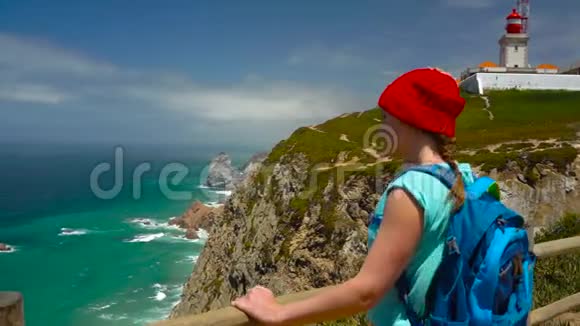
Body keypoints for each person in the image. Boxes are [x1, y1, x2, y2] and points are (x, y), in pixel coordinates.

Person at [232, 68, 473, 326]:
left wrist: (277, 313)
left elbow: (366, 292)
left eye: (385, 116)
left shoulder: (411, 191)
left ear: (407, 118)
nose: (382, 125)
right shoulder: (458, 175)